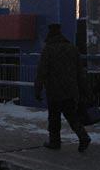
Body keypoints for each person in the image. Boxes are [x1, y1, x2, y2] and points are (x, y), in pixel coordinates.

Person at [34, 23, 91, 152]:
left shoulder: (48, 49)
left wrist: (37, 89)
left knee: (54, 117)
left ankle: (55, 142)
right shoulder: (72, 48)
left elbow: (41, 71)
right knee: (71, 115)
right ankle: (83, 136)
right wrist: (85, 90)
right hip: (70, 89)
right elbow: (80, 72)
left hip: (54, 89)